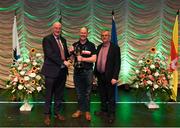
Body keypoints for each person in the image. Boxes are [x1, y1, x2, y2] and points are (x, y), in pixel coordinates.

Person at [41, 22, 71, 126]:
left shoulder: (63, 40)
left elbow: (65, 54)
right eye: (56, 28)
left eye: (59, 28)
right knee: (49, 94)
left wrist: (70, 52)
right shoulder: (47, 39)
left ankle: (57, 113)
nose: (58, 30)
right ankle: (47, 115)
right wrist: (63, 62)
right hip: (51, 71)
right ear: (53, 28)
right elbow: (50, 55)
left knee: (59, 94)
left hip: (62, 71)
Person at [69, 27, 96, 121]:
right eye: (81, 33)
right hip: (77, 72)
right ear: (79, 33)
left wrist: (83, 59)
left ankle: (87, 111)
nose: (83, 34)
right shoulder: (75, 45)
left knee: (87, 93)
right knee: (79, 93)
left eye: (85, 33)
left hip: (88, 72)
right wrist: (70, 52)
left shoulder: (91, 45)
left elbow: (94, 59)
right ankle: (80, 110)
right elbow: (71, 59)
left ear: (87, 34)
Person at [94, 30, 121, 123]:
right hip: (100, 75)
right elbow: (97, 61)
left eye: (106, 35)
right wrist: (95, 74)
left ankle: (112, 114)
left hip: (110, 77)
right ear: (101, 37)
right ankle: (104, 111)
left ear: (109, 37)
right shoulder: (99, 47)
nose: (104, 37)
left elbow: (117, 64)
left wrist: (115, 77)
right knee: (102, 95)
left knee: (111, 97)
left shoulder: (115, 48)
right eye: (102, 35)